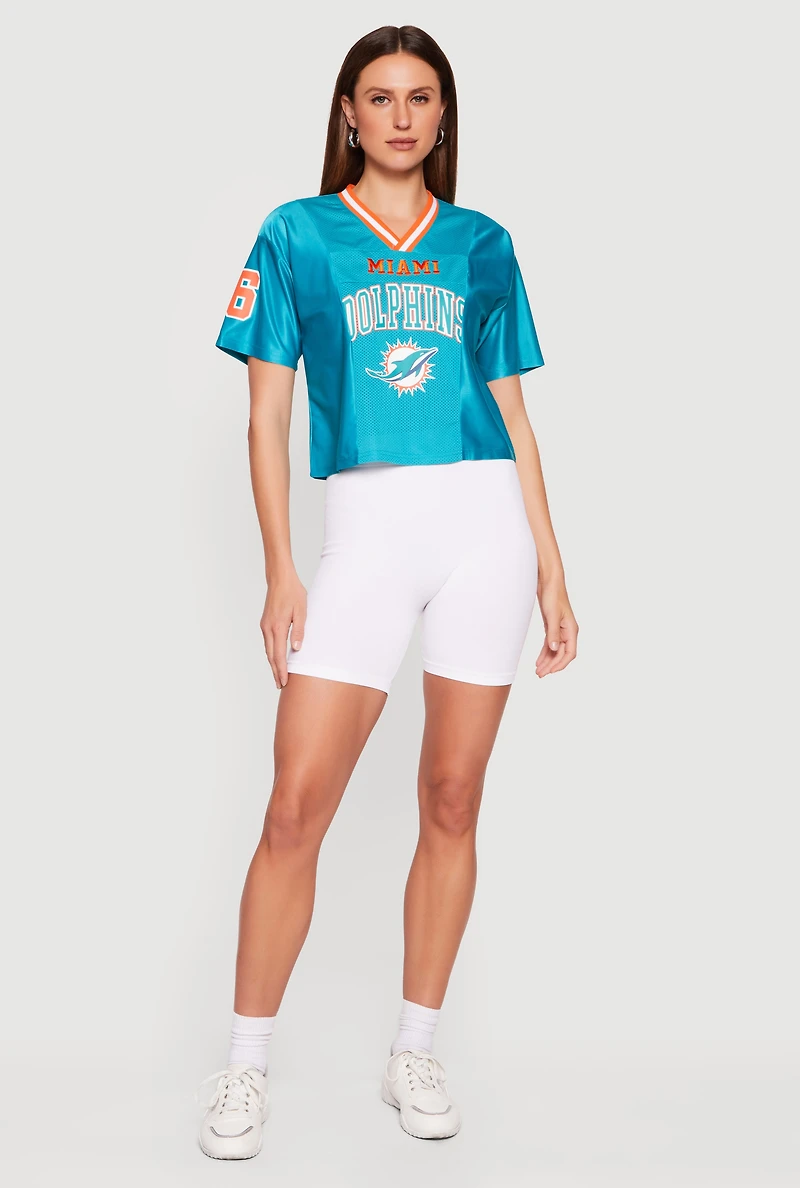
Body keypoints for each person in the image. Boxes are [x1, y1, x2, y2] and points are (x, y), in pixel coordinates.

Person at [195, 24, 578, 1159]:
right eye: (380, 96)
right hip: (364, 536)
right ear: (347, 114)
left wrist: (552, 566)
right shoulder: (297, 233)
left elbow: (513, 416)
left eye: (420, 97)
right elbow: (266, 413)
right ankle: (244, 1067)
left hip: (484, 530)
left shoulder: (482, 243)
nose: (401, 116)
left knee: (452, 798)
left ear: (442, 116)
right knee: (294, 808)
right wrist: (280, 566)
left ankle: (415, 1047)